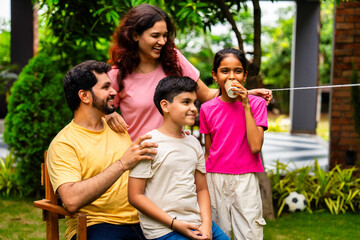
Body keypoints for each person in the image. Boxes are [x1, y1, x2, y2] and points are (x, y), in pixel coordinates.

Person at [106, 3, 272, 140]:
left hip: (175, 158)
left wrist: (246, 94)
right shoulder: (118, 74)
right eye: (155, 35)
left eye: (165, 35)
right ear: (135, 35)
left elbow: (206, 94)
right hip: (139, 159)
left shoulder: (174, 60)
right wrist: (108, 114)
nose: (162, 41)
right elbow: (93, 113)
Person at [47, 60, 158, 240]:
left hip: (142, 220)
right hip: (97, 225)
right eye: (106, 87)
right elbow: (71, 200)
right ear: (84, 96)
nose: (113, 92)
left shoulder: (116, 126)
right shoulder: (64, 143)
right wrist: (122, 164)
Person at [128, 76, 230, 240]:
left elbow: (201, 189)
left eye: (195, 102)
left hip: (196, 222)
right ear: (165, 105)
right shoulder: (148, 143)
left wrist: (207, 224)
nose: (193, 108)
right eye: (186, 102)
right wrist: (174, 223)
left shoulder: (194, 143)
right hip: (164, 229)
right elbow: (135, 196)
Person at [199, 48, 268, 240]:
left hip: (245, 179)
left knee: (250, 233)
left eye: (237, 71)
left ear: (245, 76)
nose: (232, 76)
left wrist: (245, 104)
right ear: (215, 75)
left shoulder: (256, 104)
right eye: (225, 71)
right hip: (215, 178)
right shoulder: (206, 108)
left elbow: (256, 147)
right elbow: (208, 150)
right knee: (218, 232)